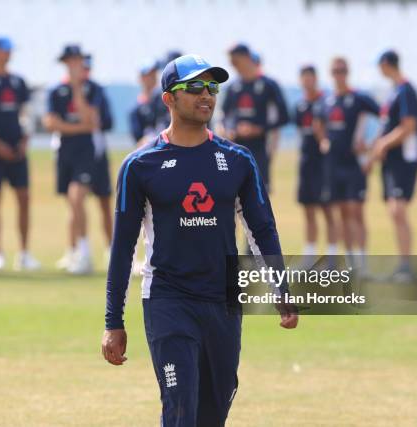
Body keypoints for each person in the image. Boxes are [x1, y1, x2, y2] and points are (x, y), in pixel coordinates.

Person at [101, 54, 298, 426]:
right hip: (168, 300)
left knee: (212, 414)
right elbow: (123, 247)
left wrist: (281, 289)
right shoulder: (140, 166)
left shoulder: (238, 160)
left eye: (212, 87)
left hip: (223, 303)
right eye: (194, 87)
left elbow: (262, 231)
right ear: (168, 99)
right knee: (179, 406)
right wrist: (114, 320)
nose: (206, 95)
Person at [0, 36, 40, 272]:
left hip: (17, 148)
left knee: (23, 198)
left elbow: (26, 112)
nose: (8, 54)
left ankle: (24, 253)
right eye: (4, 50)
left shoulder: (17, 82)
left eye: (10, 51)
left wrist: (25, 139)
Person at [313, 57, 379, 270]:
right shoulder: (327, 100)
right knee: (340, 212)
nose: (338, 74)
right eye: (335, 71)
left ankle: (363, 261)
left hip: (354, 164)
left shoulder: (359, 98)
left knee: (356, 211)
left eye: (342, 70)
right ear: (331, 74)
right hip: (333, 165)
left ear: (347, 72)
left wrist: (370, 145)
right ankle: (350, 261)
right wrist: (323, 140)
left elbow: (385, 117)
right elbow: (317, 123)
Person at [43, 45, 98, 274]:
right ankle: (73, 250)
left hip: (85, 152)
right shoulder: (55, 91)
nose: (73, 64)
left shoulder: (92, 89)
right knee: (71, 203)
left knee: (77, 198)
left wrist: (77, 89)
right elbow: (51, 123)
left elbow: (92, 121)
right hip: (64, 152)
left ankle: (85, 253)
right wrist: (78, 127)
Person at [368, 50, 417, 281]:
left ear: (386, 64)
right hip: (392, 161)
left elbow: (408, 126)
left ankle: (406, 267)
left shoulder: (406, 91)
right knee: (394, 211)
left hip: (404, 160)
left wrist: (383, 145)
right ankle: (402, 266)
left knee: (398, 210)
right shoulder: (394, 92)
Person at [221, 43, 289, 192]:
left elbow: (284, 116)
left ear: (246, 58)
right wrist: (229, 129)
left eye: (235, 61)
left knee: (260, 194)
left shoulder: (269, 85)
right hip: (236, 148)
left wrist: (259, 129)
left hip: (261, 147)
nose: (233, 65)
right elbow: (224, 115)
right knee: (236, 195)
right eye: (231, 62)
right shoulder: (233, 87)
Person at [294, 65, 337, 261]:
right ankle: (309, 257)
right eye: (304, 78)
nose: (307, 81)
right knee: (308, 209)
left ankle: (332, 257)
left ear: (316, 79)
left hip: (323, 164)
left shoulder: (326, 102)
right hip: (306, 162)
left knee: (327, 210)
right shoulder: (300, 105)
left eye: (310, 77)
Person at [83, 53, 115, 262]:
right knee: (75, 200)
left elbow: (104, 120)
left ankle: (111, 248)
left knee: (104, 200)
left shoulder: (96, 90)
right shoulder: (62, 90)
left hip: (97, 150)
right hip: (75, 152)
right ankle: (78, 250)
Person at [129, 58, 162, 146]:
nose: (153, 77)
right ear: (141, 78)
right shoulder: (135, 109)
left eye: (154, 73)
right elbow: (139, 141)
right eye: (149, 74)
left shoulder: (166, 102)